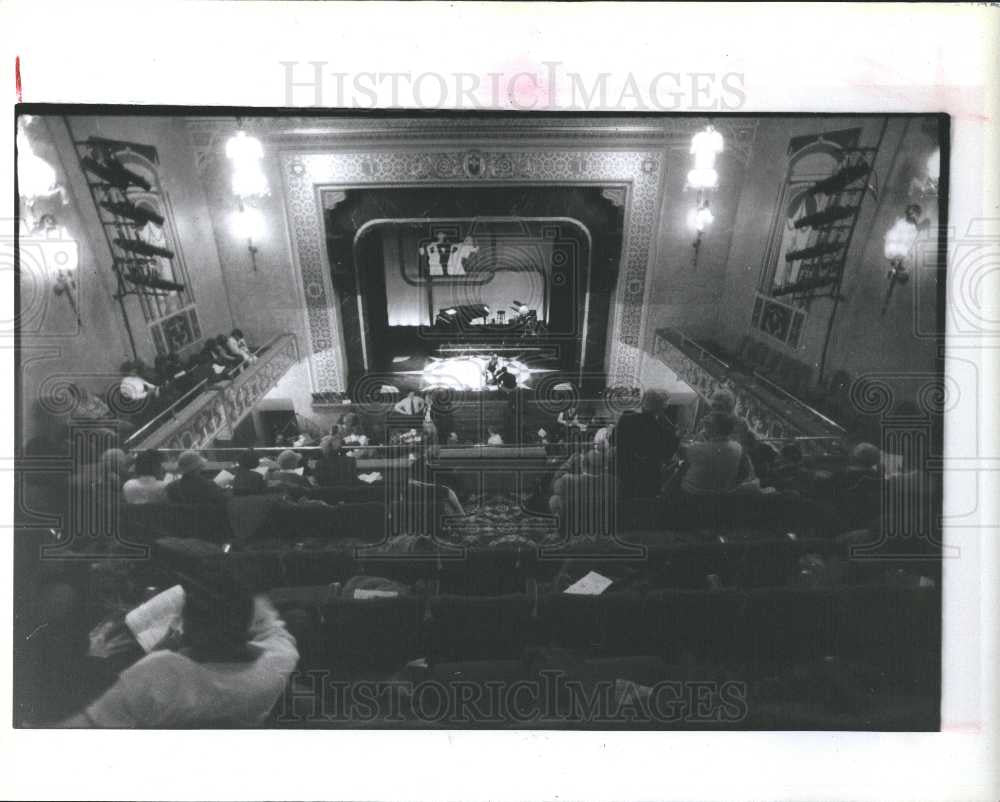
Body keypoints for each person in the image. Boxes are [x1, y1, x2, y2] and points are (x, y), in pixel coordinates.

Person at [59, 577, 298, 727]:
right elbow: (272, 625)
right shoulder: (279, 662)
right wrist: (236, 595)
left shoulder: (159, 671)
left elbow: (86, 726)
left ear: (188, 626)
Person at [611, 390, 679, 498]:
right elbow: (668, 455)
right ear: (662, 408)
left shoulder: (625, 418)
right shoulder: (664, 430)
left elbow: (612, 441)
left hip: (624, 472)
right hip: (649, 477)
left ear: (642, 403)